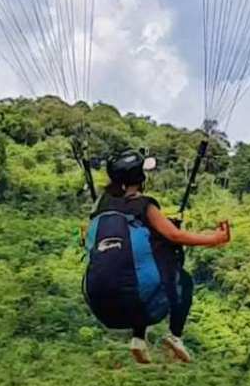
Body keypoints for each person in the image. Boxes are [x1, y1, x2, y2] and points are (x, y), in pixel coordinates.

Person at [84, 149, 230, 364]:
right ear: (140, 178)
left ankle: (139, 338)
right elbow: (175, 235)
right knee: (181, 276)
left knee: (140, 262)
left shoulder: (101, 208)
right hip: (140, 304)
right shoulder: (145, 205)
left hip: (101, 307)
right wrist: (216, 238)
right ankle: (175, 335)